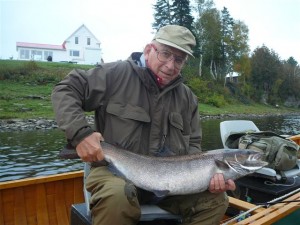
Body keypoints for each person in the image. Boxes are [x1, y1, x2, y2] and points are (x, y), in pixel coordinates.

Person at [52, 24, 236, 225]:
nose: (170, 65)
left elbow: (194, 147)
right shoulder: (115, 74)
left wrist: (205, 179)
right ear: (149, 50)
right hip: (114, 173)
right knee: (116, 197)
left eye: (179, 59)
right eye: (165, 54)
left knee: (217, 201)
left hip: (171, 182)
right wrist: (80, 134)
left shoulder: (188, 99)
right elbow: (66, 89)